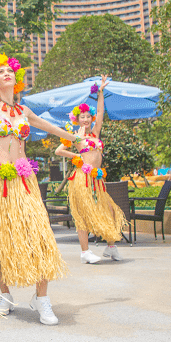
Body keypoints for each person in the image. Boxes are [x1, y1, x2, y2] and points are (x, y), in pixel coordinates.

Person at [0, 4, 82, 324]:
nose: (6, 73)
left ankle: (43, 299)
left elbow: (49, 127)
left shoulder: (23, 112)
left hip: (24, 181)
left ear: (17, 78)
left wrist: (73, 137)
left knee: (39, 234)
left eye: (10, 70)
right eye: (1, 72)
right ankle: (5, 294)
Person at [54, 76, 125, 262]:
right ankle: (85, 252)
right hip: (82, 178)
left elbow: (101, 112)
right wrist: (76, 156)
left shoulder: (95, 133)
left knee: (108, 209)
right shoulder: (76, 136)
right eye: (82, 117)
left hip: (97, 179)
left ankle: (111, 247)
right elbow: (59, 150)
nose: (86, 119)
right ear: (77, 119)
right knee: (83, 214)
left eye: (88, 117)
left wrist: (100, 92)